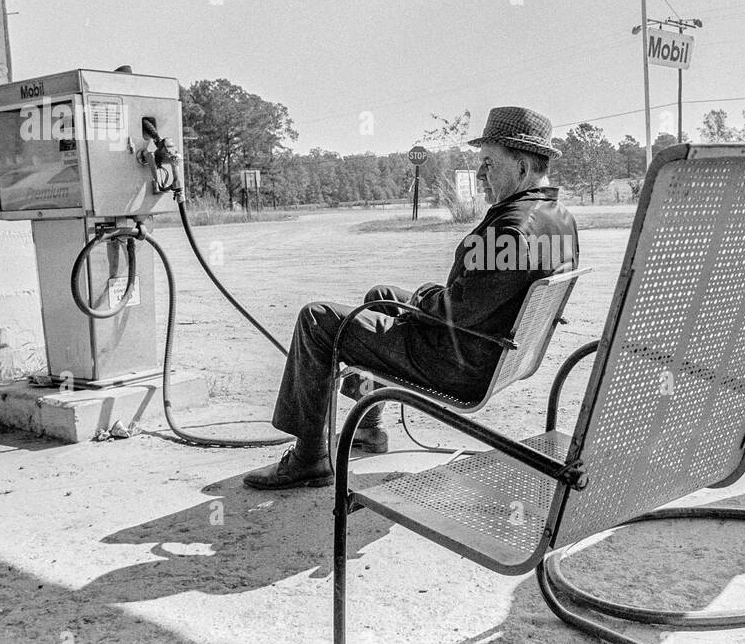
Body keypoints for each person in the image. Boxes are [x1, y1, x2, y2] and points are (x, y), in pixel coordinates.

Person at [244, 106, 579, 490]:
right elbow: (476, 301)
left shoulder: (513, 229)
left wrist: (423, 297)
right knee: (382, 296)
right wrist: (425, 300)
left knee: (317, 319)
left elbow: (455, 310)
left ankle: (307, 459)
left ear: (521, 168)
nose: (481, 174)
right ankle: (369, 426)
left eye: (489, 163)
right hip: (492, 350)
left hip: (458, 362)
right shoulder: (559, 219)